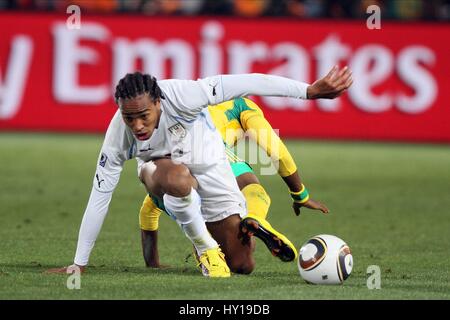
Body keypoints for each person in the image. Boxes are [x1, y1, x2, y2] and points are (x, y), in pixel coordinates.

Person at [47, 66, 353, 277]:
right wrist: (79, 263)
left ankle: (242, 228)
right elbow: (100, 196)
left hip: (212, 167)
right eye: (129, 118)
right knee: (178, 180)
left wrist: (309, 92)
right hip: (162, 172)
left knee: (242, 264)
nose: (137, 125)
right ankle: (205, 248)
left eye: (143, 116)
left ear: (159, 102)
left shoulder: (184, 94)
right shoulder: (119, 134)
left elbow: (250, 81)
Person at [139, 97, 330, 268]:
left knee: (238, 261)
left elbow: (148, 210)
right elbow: (275, 150)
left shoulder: (193, 103)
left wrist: (152, 263)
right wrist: (300, 194)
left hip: (165, 162)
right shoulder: (243, 107)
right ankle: (255, 216)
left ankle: (203, 243)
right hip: (206, 149)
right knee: (252, 188)